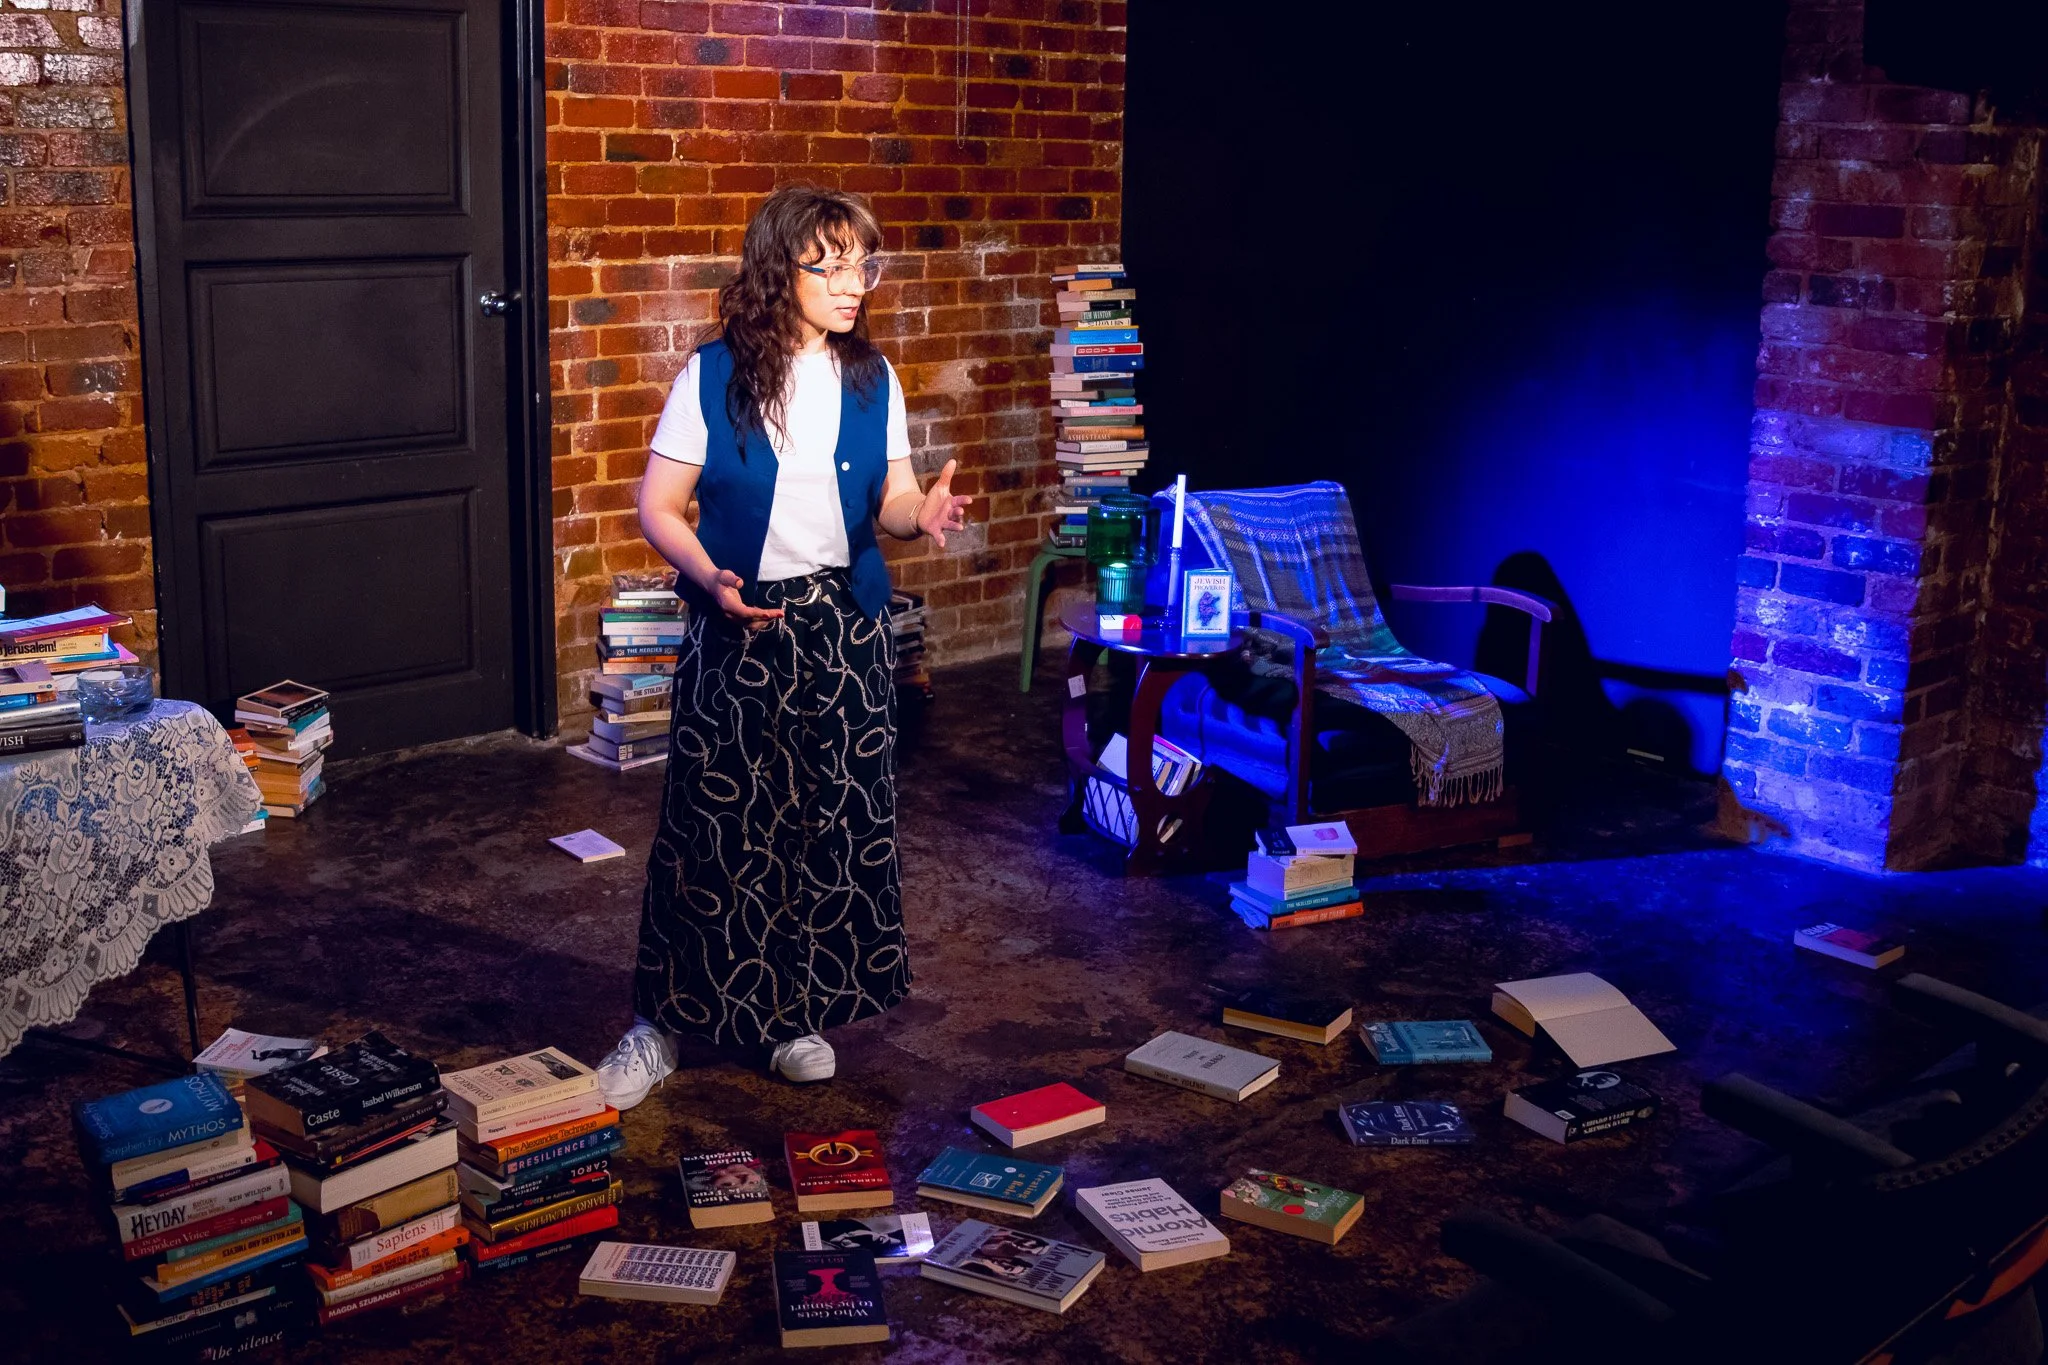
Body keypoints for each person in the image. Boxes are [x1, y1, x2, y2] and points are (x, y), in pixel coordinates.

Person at [594, 185, 971, 1110]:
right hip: (741, 621)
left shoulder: (871, 377)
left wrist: (919, 515)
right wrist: (709, 575)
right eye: (833, 265)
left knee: (824, 827)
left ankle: (787, 1012)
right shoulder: (713, 374)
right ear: (781, 269)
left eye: (864, 265)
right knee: (712, 830)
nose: (856, 284)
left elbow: (887, 500)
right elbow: (658, 504)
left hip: (843, 628)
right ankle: (660, 1023)